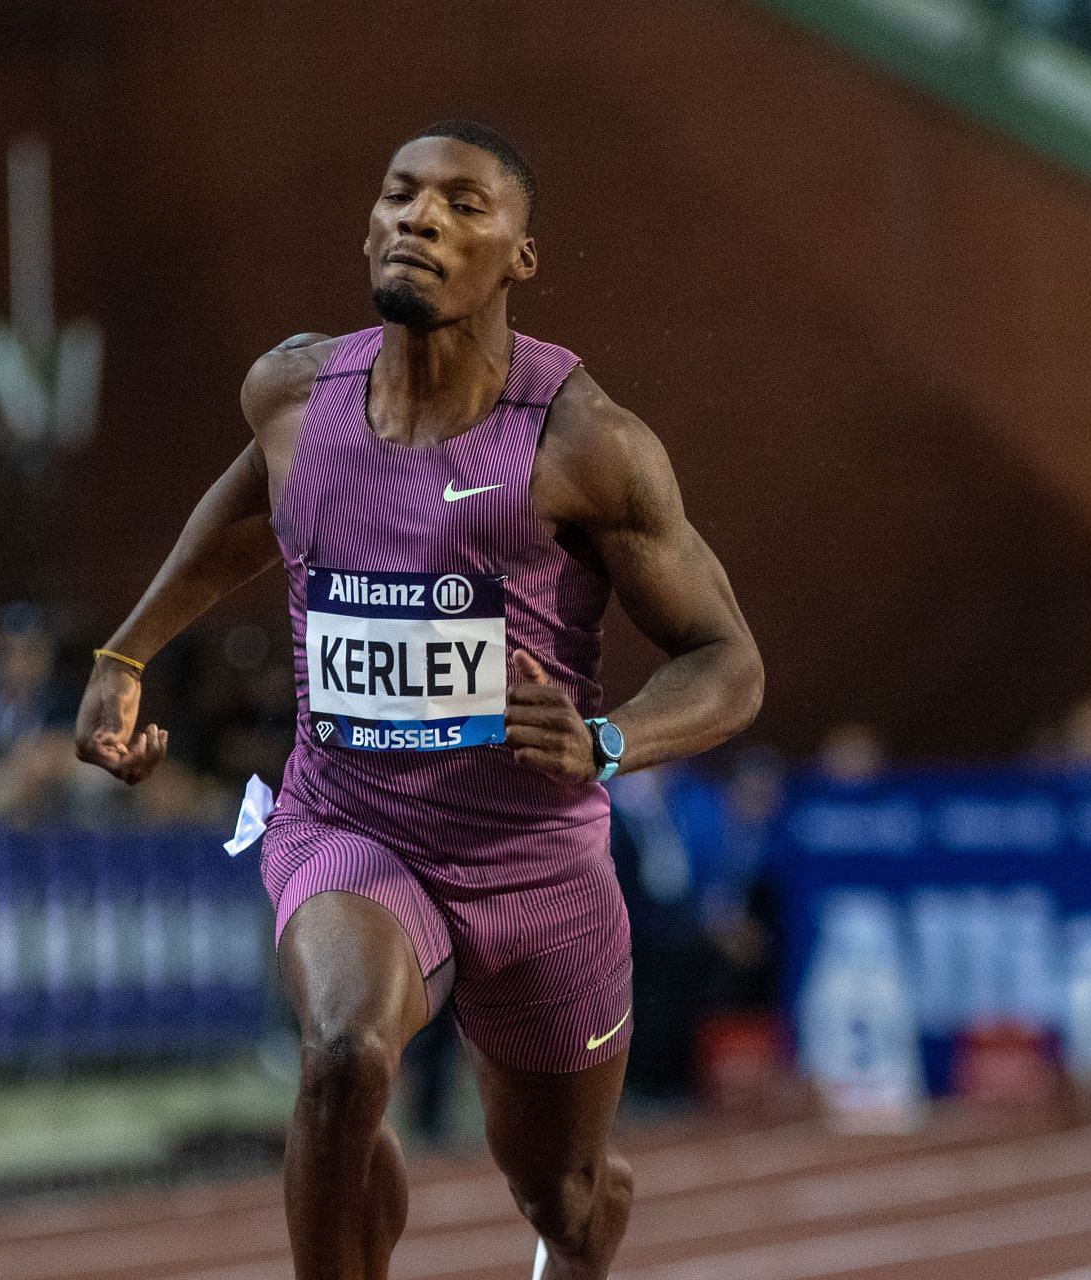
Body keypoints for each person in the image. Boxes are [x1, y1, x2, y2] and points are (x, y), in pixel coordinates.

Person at [73, 120, 763, 1280]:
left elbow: (728, 660)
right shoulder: (294, 393)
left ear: (521, 259)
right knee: (344, 1056)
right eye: (399, 196)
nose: (421, 218)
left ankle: (586, 1206)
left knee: (564, 1194)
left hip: (536, 865)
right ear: (366, 228)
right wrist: (126, 650)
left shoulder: (588, 445)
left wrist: (608, 738)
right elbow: (249, 515)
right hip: (349, 825)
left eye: (462, 203)